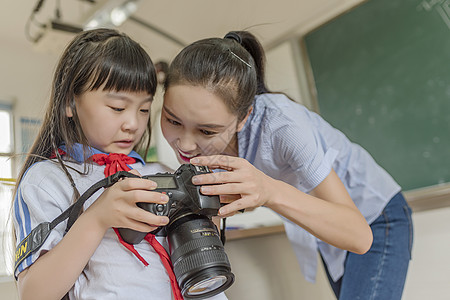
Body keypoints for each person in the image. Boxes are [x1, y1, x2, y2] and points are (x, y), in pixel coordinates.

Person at [160, 30, 413, 299]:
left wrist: (269, 191)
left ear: (245, 117)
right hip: (327, 228)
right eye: (173, 121)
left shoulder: (283, 127)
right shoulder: (210, 150)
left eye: (207, 132)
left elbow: (359, 236)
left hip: (376, 215)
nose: (185, 145)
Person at [12, 28, 227, 300]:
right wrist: (97, 218)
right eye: (117, 107)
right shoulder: (47, 180)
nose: (133, 124)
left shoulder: (159, 173)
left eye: (144, 109)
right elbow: (33, 294)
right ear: (69, 102)